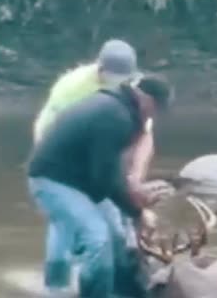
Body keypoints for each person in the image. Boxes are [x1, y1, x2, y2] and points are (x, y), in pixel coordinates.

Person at [29, 39, 165, 293]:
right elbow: (55, 134)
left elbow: (140, 141)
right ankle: (56, 287)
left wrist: (134, 182)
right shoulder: (74, 89)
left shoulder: (132, 100)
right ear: (99, 70)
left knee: (115, 234)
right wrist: (135, 209)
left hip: (91, 166)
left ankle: (117, 289)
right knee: (80, 231)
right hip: (56, 169)